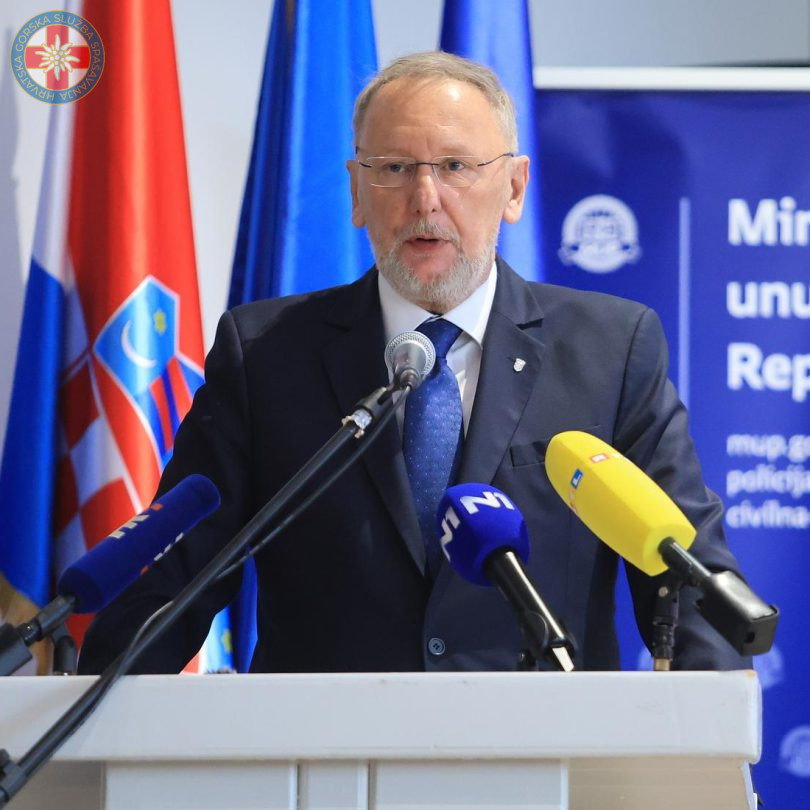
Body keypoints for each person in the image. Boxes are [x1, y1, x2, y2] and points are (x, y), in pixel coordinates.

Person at [78, 52, 747, 675]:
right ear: (356, 192)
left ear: (514, 187)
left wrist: (708, 735)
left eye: (455, 166)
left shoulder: (612, 349)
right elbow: (180, 576)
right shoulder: (266, 355)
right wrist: (89, 701)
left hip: (543, 750)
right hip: (320, 755)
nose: (425, 197)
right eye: (395, 168)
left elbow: (687, 579)